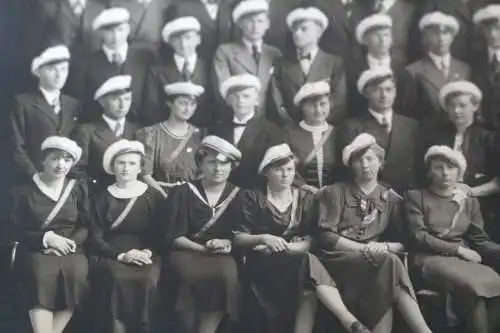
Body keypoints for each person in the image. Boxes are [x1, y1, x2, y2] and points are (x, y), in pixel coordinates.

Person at [235, 143, 372, 333]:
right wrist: (264, 238)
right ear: (266, 173)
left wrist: (289, 248)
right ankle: (348, 320)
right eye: (279, 170)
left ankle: (347, 321)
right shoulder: (252, 197)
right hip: (262, 261)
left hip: (296, 258)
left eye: (290, 170)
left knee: (308, 272)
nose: (285, 175)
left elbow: (312, 240)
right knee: (309, 270)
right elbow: (239, 238)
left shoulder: (305, 198)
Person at [316, 133, 432, 333]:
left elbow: (403, 243)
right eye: (358, 160)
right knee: (389, 263)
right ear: (351, 165)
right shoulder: (335, 192)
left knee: (388, 264)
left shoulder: (391, 199)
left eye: (370, 159)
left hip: (375, 261)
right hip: (338, 261)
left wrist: (384, 246)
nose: (364, 165)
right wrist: (364, 249)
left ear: (380, 162)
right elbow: (326, 237)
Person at [405, 145, 500, 333]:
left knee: (483, 293)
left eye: (450, 167)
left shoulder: (469, 201)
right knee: (474, 286)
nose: (445, 173)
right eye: (438, 167)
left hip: (462, 260)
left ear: (459, 172)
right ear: (429, 171)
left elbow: (479, 239)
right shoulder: (416, 197)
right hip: (428, 258)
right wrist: (458, 250)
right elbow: (419, 236)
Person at [164, 135, 242, 333]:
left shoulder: (240, 194)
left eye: (224, 164)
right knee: (188, 277)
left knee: (226, 276)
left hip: (222, 255)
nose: (218, 169)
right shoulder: (183, 192)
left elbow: (242, 233)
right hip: (187, 250)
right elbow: (173, 235)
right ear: (201, 163)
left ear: (232, 167)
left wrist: (227, 242)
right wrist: (202, 248)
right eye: (212, 162)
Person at [12, 136, 89, 333]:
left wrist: (69, 243)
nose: (60, 165)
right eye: (55, 158)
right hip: (35, 247)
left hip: (70, 247)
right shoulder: (24, 191)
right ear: (43, 160)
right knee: (40, 273)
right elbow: (12, 229)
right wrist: (47, 239)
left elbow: (86, 225)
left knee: (76, 272)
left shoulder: (78, 188)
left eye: (67, 160)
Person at [88, 139, 165, 333]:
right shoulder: (101, 197)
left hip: (147, 254)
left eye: (132, 163)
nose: (125, 168)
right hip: (110, 253)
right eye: (121, 163)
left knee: (147, 280)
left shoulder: (153, 196)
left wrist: (148, 252)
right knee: (116, 278)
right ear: (112, 167)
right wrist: (122, 255)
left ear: (140, 168)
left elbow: (162, 234)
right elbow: (95, 237)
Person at [426, 81, 500, 241]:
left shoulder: (489, 138)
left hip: (482, 208)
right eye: (451, 106)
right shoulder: (436, 136)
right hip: (441, 206)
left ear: (474, 106)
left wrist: (469, 192)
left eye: (462, 105)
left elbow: (497, 183)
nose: (456, 111)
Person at [339, 67, 422, 194]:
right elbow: (350, 170)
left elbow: (418, 167)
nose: (384, 95)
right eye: (377, 90)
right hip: (369, 195)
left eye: (389, 89)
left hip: (406, 196)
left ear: (395, 92)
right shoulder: (353, 127)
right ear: (365, 93)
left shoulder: (411, 126)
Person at [67, 7, 153, 122]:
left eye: (120, 30)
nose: (116, 37)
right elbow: (80, 105)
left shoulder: (144, 59)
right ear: (101, 33)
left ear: (128, 29)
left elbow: (151, 102)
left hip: (138, 128)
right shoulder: (86, 64)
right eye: (109, 31)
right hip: (99, 131)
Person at [10, 45, 80, 184]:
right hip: (32, 181)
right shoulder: (23, 103)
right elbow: (16, 147)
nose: (59, 75)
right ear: (38, 71)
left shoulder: (73, 104)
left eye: (63, 69)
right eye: (52, 69)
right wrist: (35, 176)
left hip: (65, 182)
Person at [270, 6, 347, 126]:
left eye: (303, 29)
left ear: (319, 32)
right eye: (294, 30)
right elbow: (277, 101)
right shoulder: (281, 64)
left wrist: (320, 123)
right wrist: (290, 126)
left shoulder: (334, 63)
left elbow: (339, 100)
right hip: (291, 131)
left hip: (325, 131)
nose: (297, 33)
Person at [210, 74, 284, 189]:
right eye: (235, 96)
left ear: (257, 101)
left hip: (257, 194)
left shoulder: (271, 130)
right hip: (222, 193)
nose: (240, 101)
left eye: (246, 96)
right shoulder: (218, 130)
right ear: (228, 100)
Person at [136, 82, 206, 198]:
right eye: (182, 103)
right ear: (169, 103)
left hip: (192, 197)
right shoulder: (150, 134)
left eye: (192, 104)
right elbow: (145, 174)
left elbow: (204, 172)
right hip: (158, 197)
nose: (188, 109)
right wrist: (164, 197)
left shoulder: (200, 135)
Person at [213, 0, 282, 118]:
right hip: (235, 118)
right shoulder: (225, 52)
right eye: (250, 21)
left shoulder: (274, 53)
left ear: (267, 24)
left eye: (260, 21)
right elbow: (223, 91)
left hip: (267, 121)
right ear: (240, 24)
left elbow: (278, 93)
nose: (255, 27)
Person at [142, 16, 213, 127]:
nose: (183, 44)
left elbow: (214, 106)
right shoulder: (157, 70)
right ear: (170, 43)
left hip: (203, 132)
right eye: (177, 39)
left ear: (198, 39)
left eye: (188, 38)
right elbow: (152, 109)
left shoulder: (209, 67)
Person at [74, 75, 141, 191]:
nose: (122, 105)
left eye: (126, 99)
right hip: (98, 193)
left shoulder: (138, 130)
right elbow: (78, 169)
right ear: (102, 102)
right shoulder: (87, 130)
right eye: (116, 99)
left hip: (132, 194)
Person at [407, 11, 471, 128]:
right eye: (435, 33)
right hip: (429, 134)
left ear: (452, 37)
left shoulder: (465, 69)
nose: (441, 38)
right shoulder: (413, 71)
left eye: (446, 33)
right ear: (425, 37)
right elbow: (409, 113)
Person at [347, 13, 416, 119]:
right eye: (376, 36)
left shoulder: (402, 72)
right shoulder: (353, 71)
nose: (382, 40)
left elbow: (408, 107)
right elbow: (350, 105)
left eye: (386, 35)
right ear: (365, 41)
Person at [284, 81, 342, 189]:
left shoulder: (338, 133)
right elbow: (284, 169)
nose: (318, 110)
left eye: (323, 104)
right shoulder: (289, 134)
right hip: (300, 195)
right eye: (312, 105)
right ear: (302, 107)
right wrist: (303, 186)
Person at [419, 0, 488, 65]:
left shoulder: (484, 2)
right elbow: (426, 38)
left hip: (481, 66)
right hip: (448, 65)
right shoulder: (436, 2)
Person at [164, 0, 238, 59]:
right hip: (196, 70)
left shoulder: (229, 5)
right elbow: (173, 45)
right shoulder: (181, 8)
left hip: (224, 67)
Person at [471, 4, 500, 129]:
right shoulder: (473, 58)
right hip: (482, 131)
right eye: (488, 29)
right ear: (482, 30)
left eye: (498, 28)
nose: (493, 35)